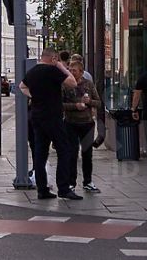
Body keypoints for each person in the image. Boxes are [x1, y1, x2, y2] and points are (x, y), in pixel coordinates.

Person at [21, 46, 81, 200]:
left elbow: (22, 86)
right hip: (53, 117)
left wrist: (33, 95)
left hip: (37, 117)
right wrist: (61, 67)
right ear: (53, 58)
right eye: (56, 59)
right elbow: (73, 83)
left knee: (40, 153)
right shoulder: (53, 70)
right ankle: (64, 188)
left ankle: (42, 189)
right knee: (64, 150)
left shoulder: (32, 72)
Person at [62, 59, 102, 193]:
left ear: (81, 72)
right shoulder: (65, 85)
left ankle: (88, 181)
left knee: (87, 154)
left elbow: (98, 103)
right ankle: (71, 183)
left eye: (74, 70)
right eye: (70, 70)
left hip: (87, 123)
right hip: (71, 123)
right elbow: (60, 104)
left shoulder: (88, 84)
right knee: (72, 153)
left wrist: (89, 101)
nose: (71, 72)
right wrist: (75, 106)